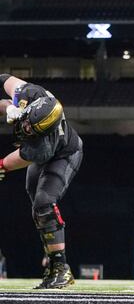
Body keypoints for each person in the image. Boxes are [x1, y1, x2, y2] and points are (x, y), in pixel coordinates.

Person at [0, 75, 83, 289]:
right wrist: (9, 107)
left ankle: (60, 268)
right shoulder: (32, 94)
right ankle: (53, 260)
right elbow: (2, 79)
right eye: (27, 123)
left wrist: (1, 165)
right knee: (37, 207)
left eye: (31, 130)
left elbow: (9, 162)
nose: (26, 128)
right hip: (44, 153)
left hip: (64, 155)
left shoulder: (42, 145)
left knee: (44, 203)